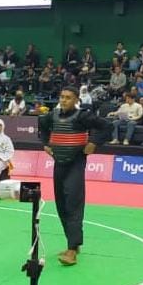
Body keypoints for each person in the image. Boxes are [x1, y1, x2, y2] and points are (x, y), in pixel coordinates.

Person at [38, 87, 110, 266]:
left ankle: (72, 250)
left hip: (76, 163)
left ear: (76, 100)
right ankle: (73, 244)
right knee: (61, 205)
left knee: (73, 204)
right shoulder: (52, 116)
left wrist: (94, 143)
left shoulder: (83, 116)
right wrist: (46, 143)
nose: (64, 100)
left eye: (68, 98)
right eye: (62, 97)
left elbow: (107, 126)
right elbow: (42, 125)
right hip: (59, 164)